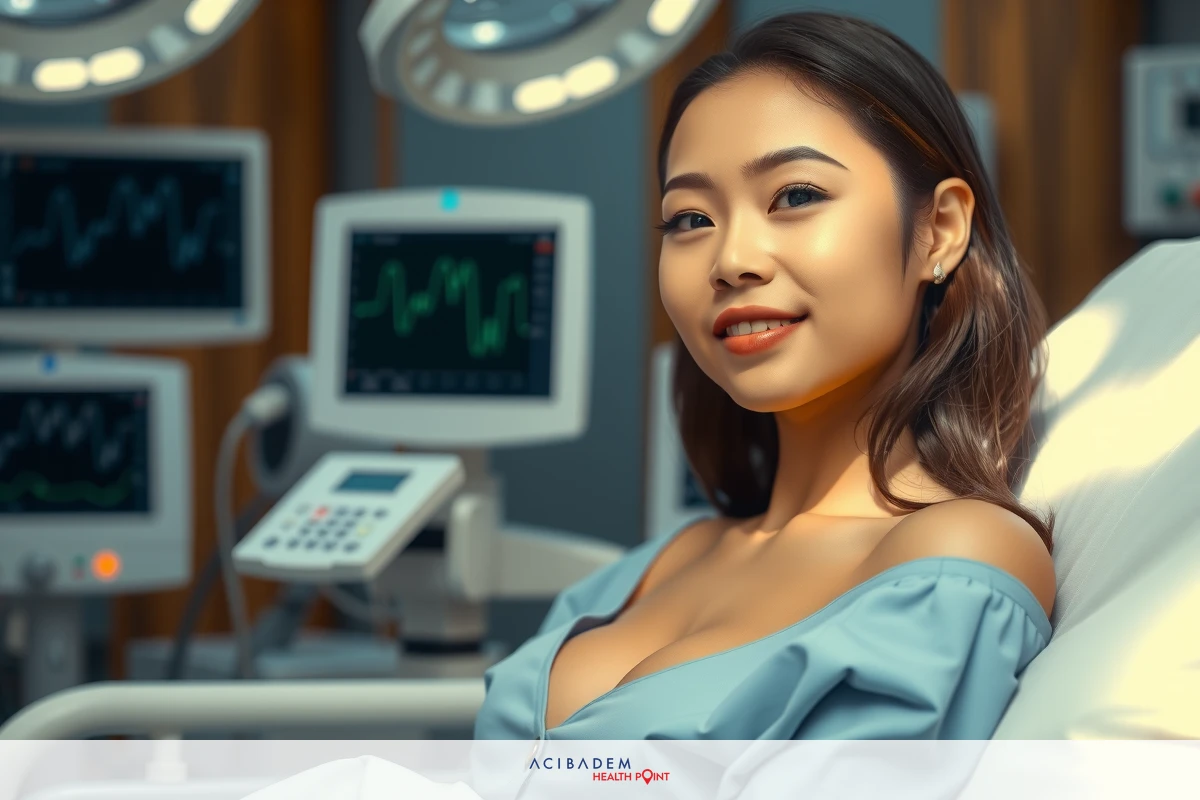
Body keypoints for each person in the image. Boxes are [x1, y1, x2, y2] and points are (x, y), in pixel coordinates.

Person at [474, 10, 1057, 741]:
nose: (730, 261)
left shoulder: (957, 557)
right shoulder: (655, 565)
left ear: (938, 230)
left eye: (796, 196)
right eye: (690, 219)